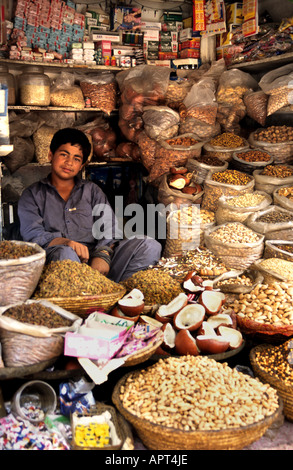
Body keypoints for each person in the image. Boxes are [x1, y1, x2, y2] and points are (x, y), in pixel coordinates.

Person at [18, 127, 162, 282]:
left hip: (97, 266)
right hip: (57, 268)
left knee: (149, 245)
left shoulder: (91, 191)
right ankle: (80, 301)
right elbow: (33, 236)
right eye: (63, 155)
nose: (69, 162)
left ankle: (123, 298)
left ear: (81, 166)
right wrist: (66, 242)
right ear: (50, 155)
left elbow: (108, 228)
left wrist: (103, 254)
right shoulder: (32, 195)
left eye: (76, 159)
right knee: (65, 254)